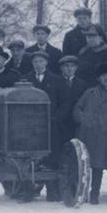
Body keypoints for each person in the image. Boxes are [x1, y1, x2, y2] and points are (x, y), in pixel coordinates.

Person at [73, 63, 107, 205]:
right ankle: (82, 192)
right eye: (103, 76)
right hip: (86, 133)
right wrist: (83, 121)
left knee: (98, 165)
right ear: (98, 78)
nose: (106, 78)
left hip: (104, 136)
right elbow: (78, 108)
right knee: (83, 164)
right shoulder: (89, 93)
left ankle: (94, 193)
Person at [25, 51, 71, 201]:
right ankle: (28, 190)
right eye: (35, 62)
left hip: (52, 125)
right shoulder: (25, 79)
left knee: (52, 157)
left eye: (41, 61)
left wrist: (56, 118)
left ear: (46, 63)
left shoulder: (57, 80)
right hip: (30, 125)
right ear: (32, 64)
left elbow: (65, 102)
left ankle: (53, 191)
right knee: (29, 155)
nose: (38, 64)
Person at [60, 55, 89, 143]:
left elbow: (85, 104)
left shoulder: (82, 84)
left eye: (72, 66)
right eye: (66, 66)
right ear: (61, 68)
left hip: (75, 122)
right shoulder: (56, 81)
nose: (69, 69)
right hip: (60, 121)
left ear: (76, 68)